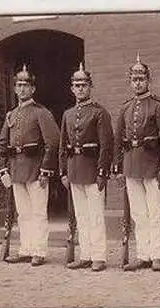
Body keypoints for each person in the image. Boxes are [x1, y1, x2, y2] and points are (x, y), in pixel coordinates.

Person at [113, 54, 160, 272]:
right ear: (130, 81)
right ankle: (143, 254)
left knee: (154, 212)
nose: (137, 83)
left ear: (149, 80)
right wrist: (119, 168)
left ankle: (158, 255)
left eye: (141, 78)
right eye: (134, 79)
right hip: (131, 165)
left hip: (152, 165)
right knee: (138, 213)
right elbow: (118, 140)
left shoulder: (158, 106)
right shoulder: (126, 108)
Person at [0, 64, 60, 267]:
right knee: (23, 213)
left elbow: (53, 142)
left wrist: (45, 170)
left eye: (26, 85)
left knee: (38, 212)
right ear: (14, 88)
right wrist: (2, 168)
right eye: (19, 85)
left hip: (36, 169)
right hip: (16, 170)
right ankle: (26, 248)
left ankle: (39, 251)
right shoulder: (11, 115)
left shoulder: (41, 113)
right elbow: (1, 143)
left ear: (33, 89)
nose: (22, 89)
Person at [59, 63, 114, 272]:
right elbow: (63, 146)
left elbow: (106, 145)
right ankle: (86, 255)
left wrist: (102, 172)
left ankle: (98, 256)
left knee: (95, 215)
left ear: (91, 86)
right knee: (81, 216)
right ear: (71, 88)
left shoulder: (99, 113)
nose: (80, 88)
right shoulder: (68, 114)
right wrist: (63, 171)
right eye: (76, 85)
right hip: (74, 170)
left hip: (92, 170)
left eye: (84, 84)